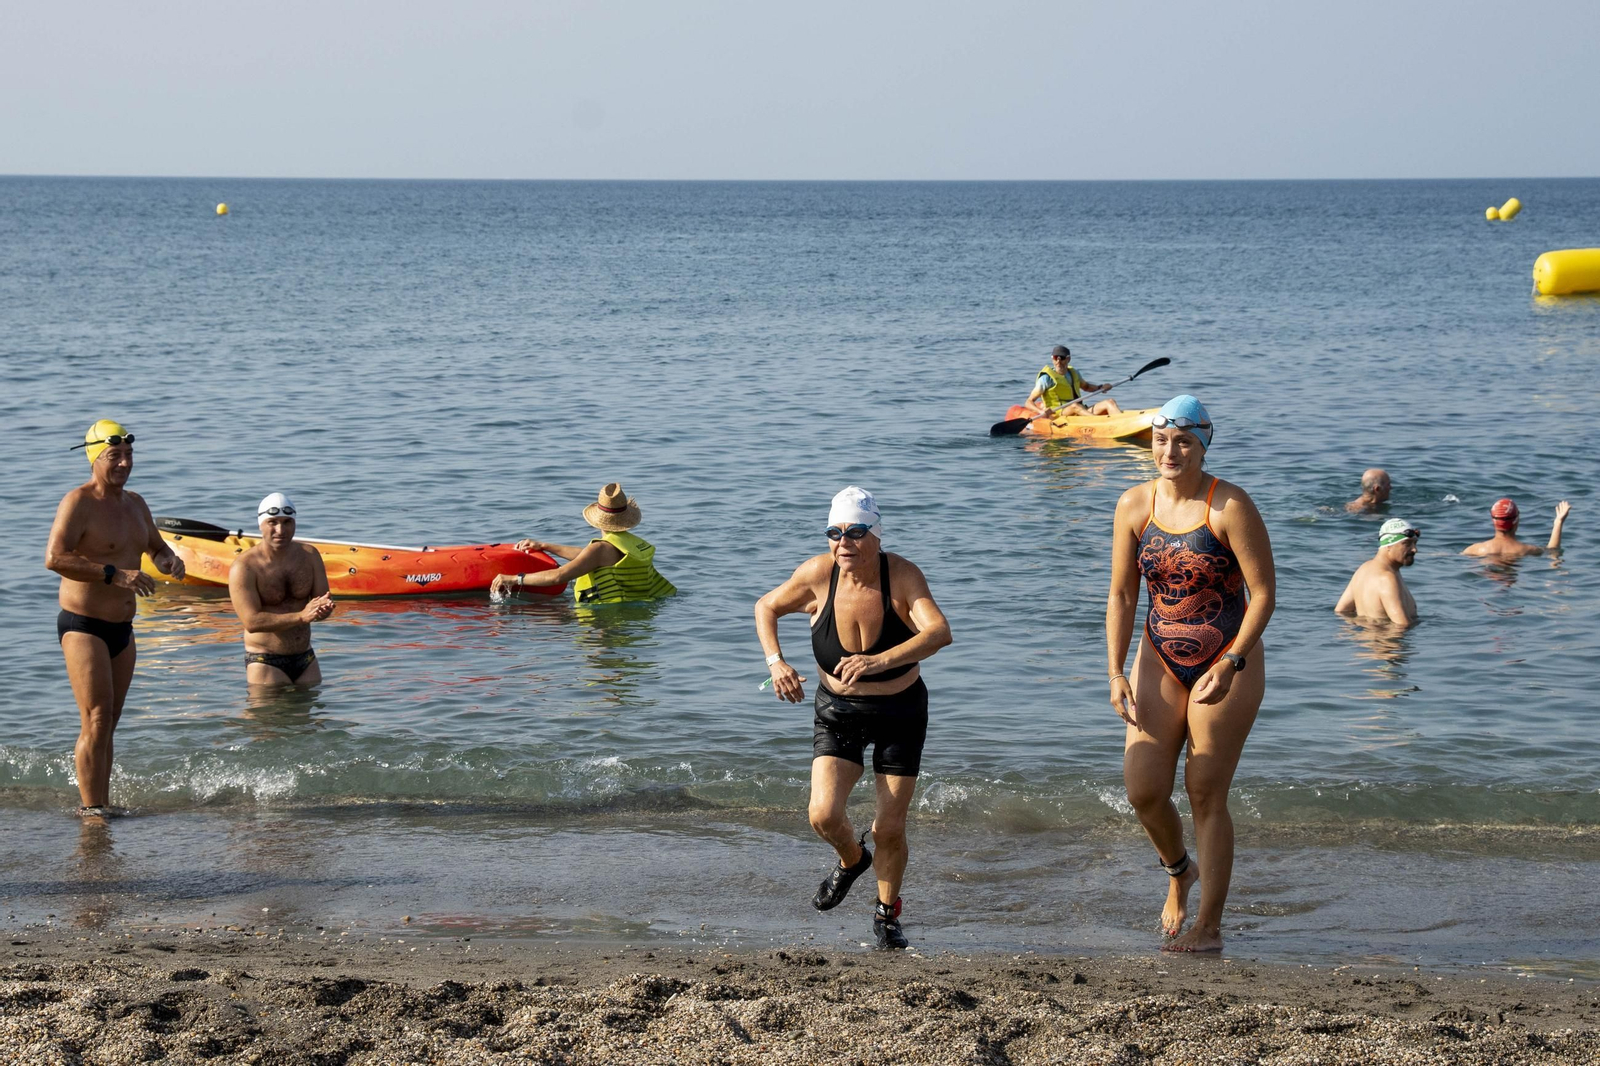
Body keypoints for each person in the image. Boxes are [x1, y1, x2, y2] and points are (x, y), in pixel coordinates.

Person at [1105, 395, 1276, 954]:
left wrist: (1233, 661)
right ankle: (1180, 869)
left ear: (1203, 444)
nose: (1170, 451)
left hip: (1225, 656)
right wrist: (1114, 671)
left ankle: (1210, 924)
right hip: (1158, 655)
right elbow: (1123, 594)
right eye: (1160, 439)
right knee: (1144, 790)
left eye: (1183, 441)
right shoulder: (1134, 504)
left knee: (1204, 790)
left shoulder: (1228, 506)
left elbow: (1264, 595)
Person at [754, 487, 952, 950]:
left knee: (890, 827)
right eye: (835, 533)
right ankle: (851, 859)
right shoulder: (818, 575)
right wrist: (775, 662)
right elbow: (766, 607)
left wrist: (879, 662)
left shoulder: (901, 575)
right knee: (822, 814)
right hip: (837, 710)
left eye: (856, 533)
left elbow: (939, 631)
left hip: (899, 711)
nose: (844, 543)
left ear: (876, 536)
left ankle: (887, 914)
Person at [44, 420, 187, 817]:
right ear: (94, 458)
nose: (124, 463)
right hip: (83, 624)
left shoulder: (136, 504)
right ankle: (91, 812)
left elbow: (156, 548)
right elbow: (55, 558)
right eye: (114, 456)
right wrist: (115, 573)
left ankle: (102, 805)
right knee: (97, 716)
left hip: (123, 629)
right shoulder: (78, 502)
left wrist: (169, 561)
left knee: (110, 722)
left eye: (128, 455)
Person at [491, 483, 676, 604]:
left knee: (542, 618)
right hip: (636, 618)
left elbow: (558, 577)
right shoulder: (629, 544)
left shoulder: (601, 549)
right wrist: (546, 546)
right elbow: (588, 557)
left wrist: (514, 579)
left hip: (605, 622)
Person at [228, 493, 334, 687]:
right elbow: (251, 621)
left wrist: (324, 610)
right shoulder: (245, 567)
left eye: (287, 522)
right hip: (265, 661)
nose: (280, 530)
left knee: (313, 717)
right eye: (273, 522)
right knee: (269, 717)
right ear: (260, 524)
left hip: (306, 659)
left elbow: (320, 606)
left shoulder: (309, 556)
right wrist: (301, 616)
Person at [1335, 519, 1420, 628]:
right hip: (1389, 644)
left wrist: (1361, 634)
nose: (1414, 550)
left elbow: (1341, 612)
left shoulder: (1363, 569)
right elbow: (1402, 625)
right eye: (1407, 544)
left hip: (1370, 643)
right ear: (1389, 545)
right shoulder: (1387, 579)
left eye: (1415, 543)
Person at [1022, 345, 1123, 418]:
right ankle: (1100, 423)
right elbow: (1028, 402)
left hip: (1080, 409)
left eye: (1061, 358)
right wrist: (1040, 411)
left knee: (1110, 402)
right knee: (1074, 406)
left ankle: (1122, 422)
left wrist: (1101, 387)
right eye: (1055, 358)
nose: (1058, 361)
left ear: (1068, 359)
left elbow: (1086, 387)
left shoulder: (1074, 373)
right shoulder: (1046, 379)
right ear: (1052, 359)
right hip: (1058, 413)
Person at [1462, 497, 1571, 559]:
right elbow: (1553, 551)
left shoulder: (1475, 549)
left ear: (1493, 521)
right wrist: (1558, 522)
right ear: (1516, 521)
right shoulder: (1528, 550)